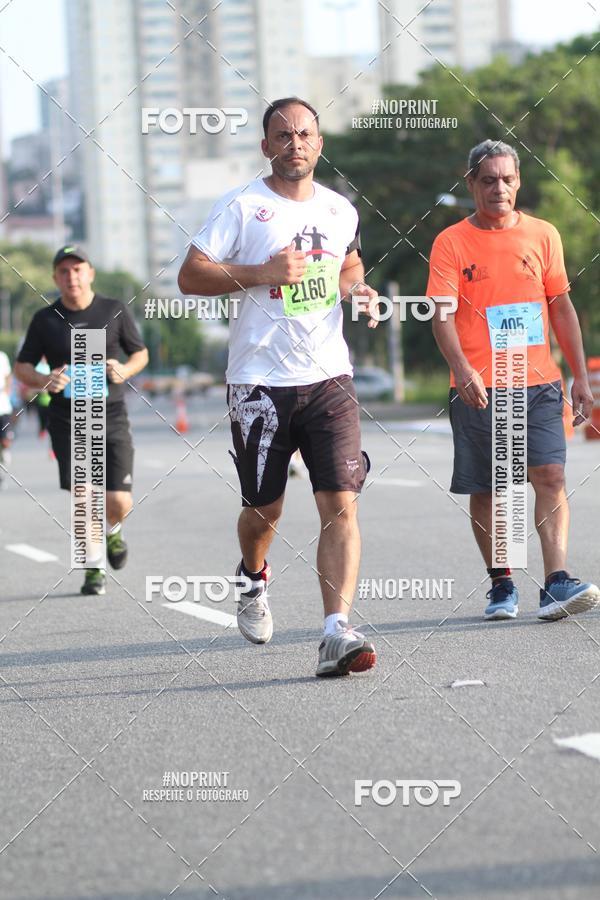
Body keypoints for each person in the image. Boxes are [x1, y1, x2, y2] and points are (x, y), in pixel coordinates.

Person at [178, 96, 379, 676]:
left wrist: (358, 289)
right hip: (259, 382)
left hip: (328, 377)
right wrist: (261, 273)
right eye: (283, 135)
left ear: (320, 143)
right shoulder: (242, 206)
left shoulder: (341, 209)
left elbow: (349, 264)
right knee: (264, 509)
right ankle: (252, 574)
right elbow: (191, 275)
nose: (296, 144)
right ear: (266, 146)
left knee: (341, 505)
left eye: (306, 134)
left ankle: (336, 632)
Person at [428, 139, 599, 621]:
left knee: (551, 474)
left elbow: (561, 307)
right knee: (491, 488)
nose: (498, 188)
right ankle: (501, 583)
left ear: (518, 181)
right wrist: (462, 370)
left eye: (506, 179)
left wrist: (580, 374)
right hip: (480, 385)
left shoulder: (543, 235)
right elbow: (441, 317)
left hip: (538, 381)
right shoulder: (451, 242)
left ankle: (556, 582)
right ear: (471, 185)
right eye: (488, 180)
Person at [14, 246, 149, 595]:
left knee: (118, 501)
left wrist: (124, 370)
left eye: (78, 269)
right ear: (55, 278)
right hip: (68, 418)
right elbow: (22, 366)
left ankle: (114, 533)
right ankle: (92, 568)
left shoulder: (114, 310)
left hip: (112, 415)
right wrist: (45, 380)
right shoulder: (45, 319)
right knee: (84, 495)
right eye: (64, 271)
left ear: (90, 273)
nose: (71, 277)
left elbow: (140, 353)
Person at [0, 349, 14, 485]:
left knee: (5, 442)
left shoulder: (2, 356)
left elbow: (8, 376)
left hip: (3, 408)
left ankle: (5, 454)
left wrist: (7, 389)